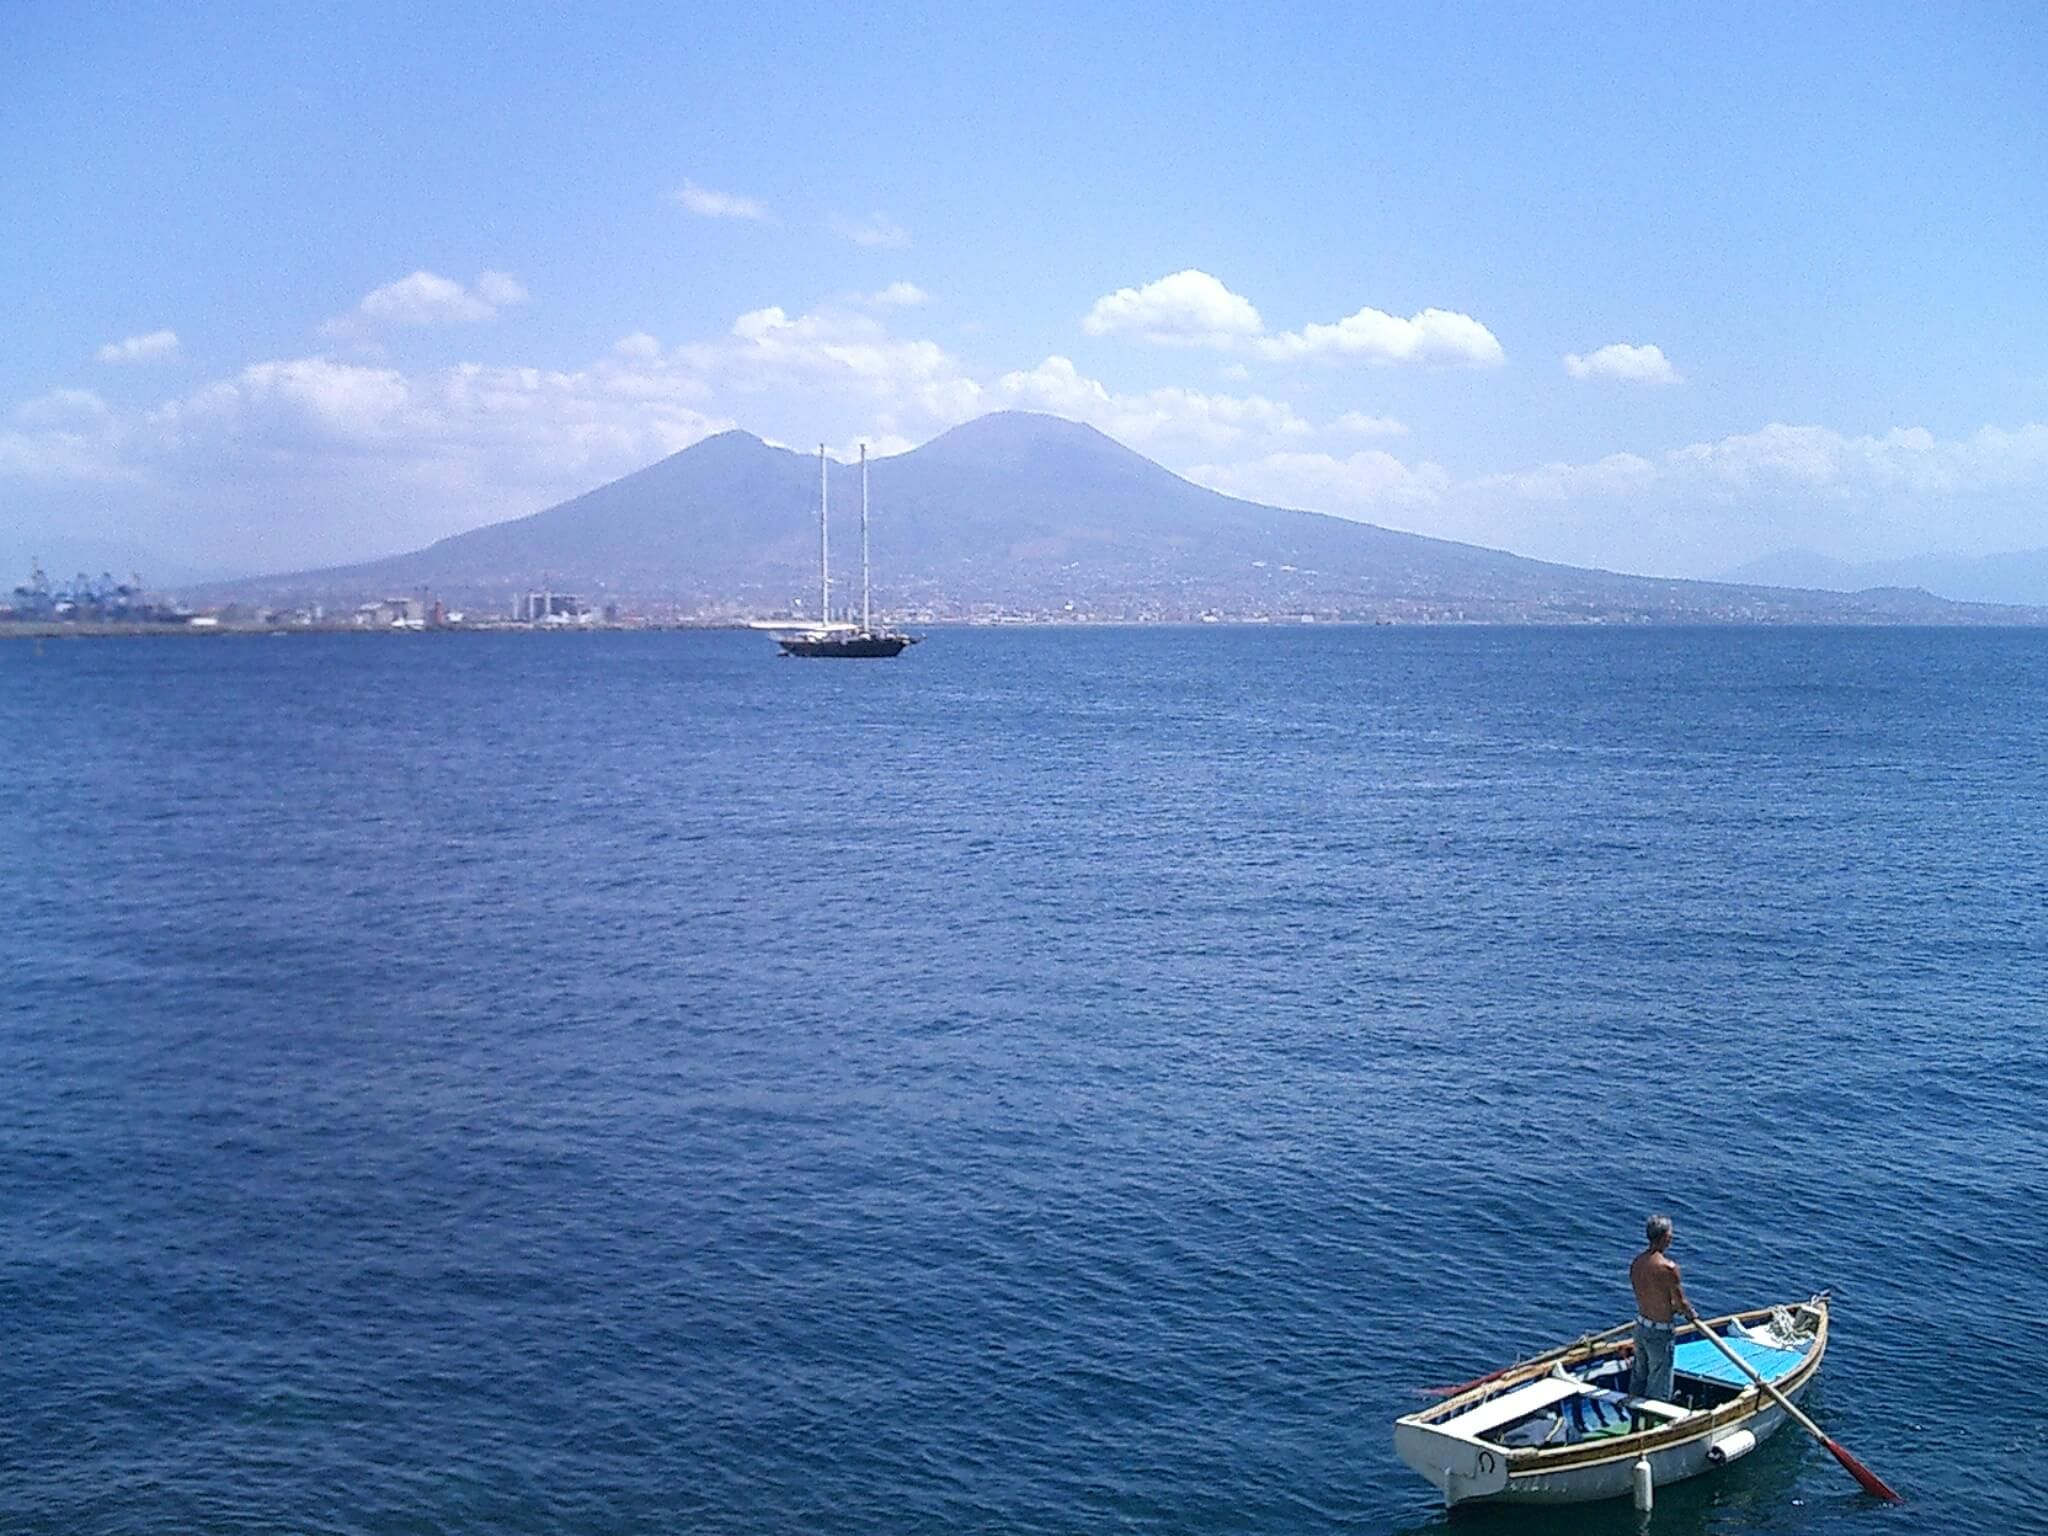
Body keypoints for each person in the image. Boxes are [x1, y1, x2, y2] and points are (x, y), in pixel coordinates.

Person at [1628, 1213, 1698, 1403]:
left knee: (1639, 1378)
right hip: (1660, 1332)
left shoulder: (1637, 1263)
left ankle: (1635, 1423)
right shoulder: (1668, 1268)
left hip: (1641, 1326)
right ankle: (1652, 1428)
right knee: (1658, 1385)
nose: (1672, 1237)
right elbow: (1681, 1302)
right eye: (1670, 1234)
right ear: (1665, 1237)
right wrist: (1691, 1314)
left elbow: (1649, 1294)